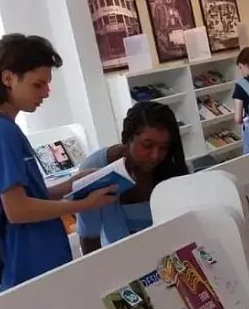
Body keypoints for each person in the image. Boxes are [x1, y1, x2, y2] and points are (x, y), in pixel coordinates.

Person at [0, 34, 116, 289]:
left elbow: (23, 197)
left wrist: (70, 185)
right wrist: (82, 204)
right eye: (38, 85)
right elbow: (18, 210)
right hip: (28, 269)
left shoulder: (1, 128)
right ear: (8, 78)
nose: (46, 92)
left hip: (38, 264)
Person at [76, 101, 189, 254]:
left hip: (169, 250)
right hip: (119, 258)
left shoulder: (170, 166)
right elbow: (89, 238)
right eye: (147, 145)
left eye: (164, 147)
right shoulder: (96, 169)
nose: (156, 156)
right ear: (128, 138)